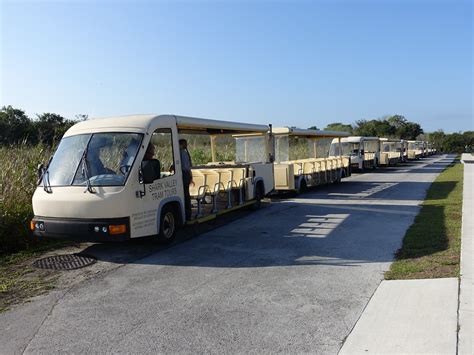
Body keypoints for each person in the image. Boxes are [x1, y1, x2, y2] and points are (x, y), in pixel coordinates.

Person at [179, 139, 194, 220]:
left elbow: (186, 167)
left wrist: (190, 177)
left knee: (185, 195)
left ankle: (187, 214)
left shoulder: (183, 153)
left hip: (184, 175)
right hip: (185, 175)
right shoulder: (183, 153)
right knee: (185, 194)